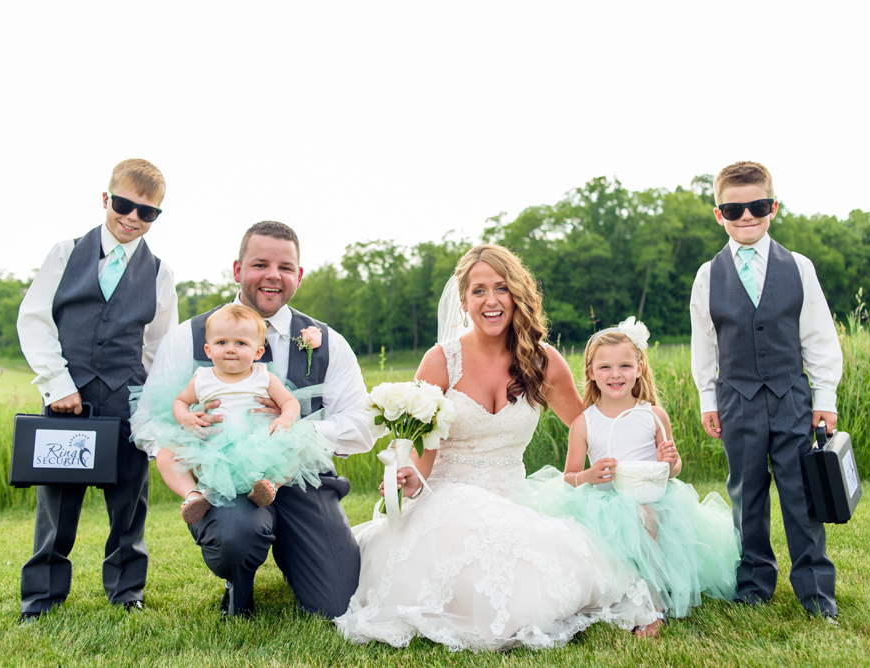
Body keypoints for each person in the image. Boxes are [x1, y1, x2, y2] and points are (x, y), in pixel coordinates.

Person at [334, 244, 662, 652]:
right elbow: (425, 456)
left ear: (517, 295)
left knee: (547, 563)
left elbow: (588, 426)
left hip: (515, 494)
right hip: (447, 499)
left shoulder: (543, 361)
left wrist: (636, 463)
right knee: (488, 561)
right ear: (465, 301)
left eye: (501, 288)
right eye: (479, 290)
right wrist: (408, 481)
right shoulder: (441, 361)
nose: (491, 300)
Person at [131, 220, 372, 619]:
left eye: (285, 267)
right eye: (260, 264)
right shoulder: (190, 336)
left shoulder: (326, 341)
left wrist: (293, 430)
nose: (273, 276)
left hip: (298, 477)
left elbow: (361, 426)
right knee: (237, 536)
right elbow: (145, 420)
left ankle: (301, 557)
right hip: (222, 476)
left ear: (300, 275)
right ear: (238, 270)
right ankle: (238, 583)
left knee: (337, 603)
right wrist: (189, 430)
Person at [16, 159, 178, 621]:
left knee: (129, 501)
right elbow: (34, 319)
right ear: (106, 199)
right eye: (125, 205)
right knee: (57, 503)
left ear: (156, 217)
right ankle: (42, 598)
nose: (133, 218)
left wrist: (145, 400)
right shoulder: (66, 252)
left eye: (147, 213)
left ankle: (127, 592)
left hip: (127, 398)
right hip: (66, 396)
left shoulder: (160, 272)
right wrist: (56, 384)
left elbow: (159, 345)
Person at [689, 160, 843, 620]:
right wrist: (707, 400)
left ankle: (816, 591)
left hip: (792, 397)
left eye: (757, 206)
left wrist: (826, 397)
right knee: (747, 495)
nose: (746, 217)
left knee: (802, 496)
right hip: (737, 400)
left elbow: (818, 336)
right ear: (719, 214)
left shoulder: (799, 267)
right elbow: (706, 343)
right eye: (734, 209)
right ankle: (754, 585)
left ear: (772, 207)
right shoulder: (707, 275)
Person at [551, 319, 739, 619]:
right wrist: (589, 475)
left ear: (639, 368)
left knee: (646, 515)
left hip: (652, 498)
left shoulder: (653, 415)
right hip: (604, 503)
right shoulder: (584, 422)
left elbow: (673, 468)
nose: (615, 375)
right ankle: (621, 592)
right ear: (590, 372)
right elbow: (570, 476)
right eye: (605, 368)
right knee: (628, 521)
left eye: (625, 366)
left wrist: (670, 461)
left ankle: (653, 604)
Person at [136, 303, 335, 524]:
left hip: (257, 446)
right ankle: (193, 496)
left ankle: (269, 485)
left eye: (241, 343)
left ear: (258, 352)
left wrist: (285, 418)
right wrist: (185, 417)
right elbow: (180, 401)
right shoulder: (202, 378)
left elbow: (289, 401)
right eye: (221, 343)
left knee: (295, 445)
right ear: (208, 350)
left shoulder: (263, 376)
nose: (230, 349)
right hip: (211, 448)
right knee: (166, 454)